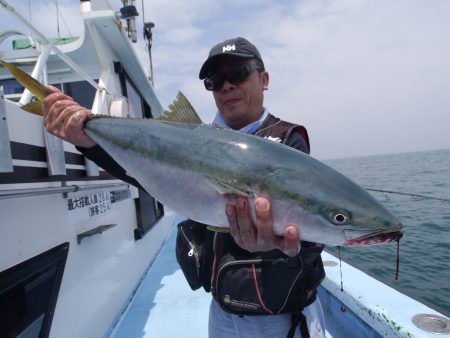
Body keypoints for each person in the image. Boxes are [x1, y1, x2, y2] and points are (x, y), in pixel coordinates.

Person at [42, 37, 326, 337]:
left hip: (281, 317)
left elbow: (307, 225)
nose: (227, 86)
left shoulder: (287, 141)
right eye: (215, 81)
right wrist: (88, 139)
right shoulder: (194, 139)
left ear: (264, 79)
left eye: (238, 74)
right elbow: (144, 174)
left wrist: (275, 246)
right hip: (222, 311)